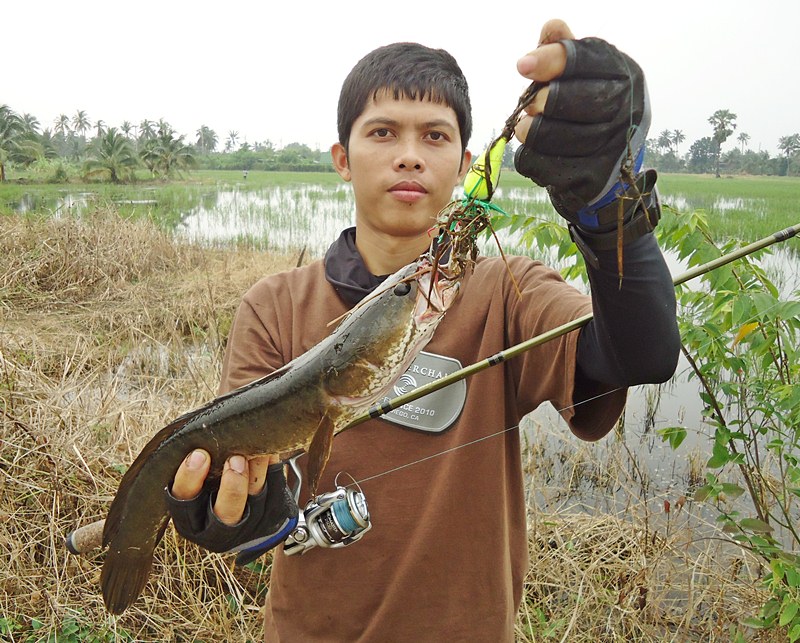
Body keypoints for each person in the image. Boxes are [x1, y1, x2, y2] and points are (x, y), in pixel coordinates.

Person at [166, 19, 680, 641]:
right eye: (382, 132)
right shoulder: (274, 306)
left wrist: (609, 210)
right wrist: (227, 513)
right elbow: (258, 497)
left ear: (465, 163)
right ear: (342, 159)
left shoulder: (508, 292)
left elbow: (640, 354)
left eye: (435, 136)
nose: (409, 153)